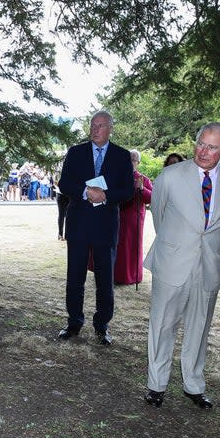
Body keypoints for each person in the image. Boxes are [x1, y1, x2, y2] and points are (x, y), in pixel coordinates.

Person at [143, 122, 220, 410]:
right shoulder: (170, 176)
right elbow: (159, 217)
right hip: (173, 262)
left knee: (200, 327)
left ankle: (194, 385)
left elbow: (218, 226)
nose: (203, 151)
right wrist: (176, 246)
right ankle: (156, 384)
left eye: (212, 147)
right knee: (162, 326)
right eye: (201, 143)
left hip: (209, 266)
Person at [56, 111, 134, 345]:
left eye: (100, 126)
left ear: (110, 128)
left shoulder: (121, 156)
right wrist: (85, 192)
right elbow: (64, 183)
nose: (95, 129)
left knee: (104, 279)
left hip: (105, 227)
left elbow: (128, 190)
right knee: (75, 277)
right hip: (79, 225)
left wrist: (105, 196)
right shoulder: (76, 152)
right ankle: (74, 323)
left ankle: (102, 325)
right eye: (92, 125)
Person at [90, 150, 152, 286]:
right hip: (113, 216)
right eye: (128, 159)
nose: (130, 162)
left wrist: (141, 188)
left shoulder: (143, 179)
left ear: (138, 162)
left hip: (132, 220)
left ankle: (128, 276)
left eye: (133, 159)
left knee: (128, 248)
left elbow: (150, 198)